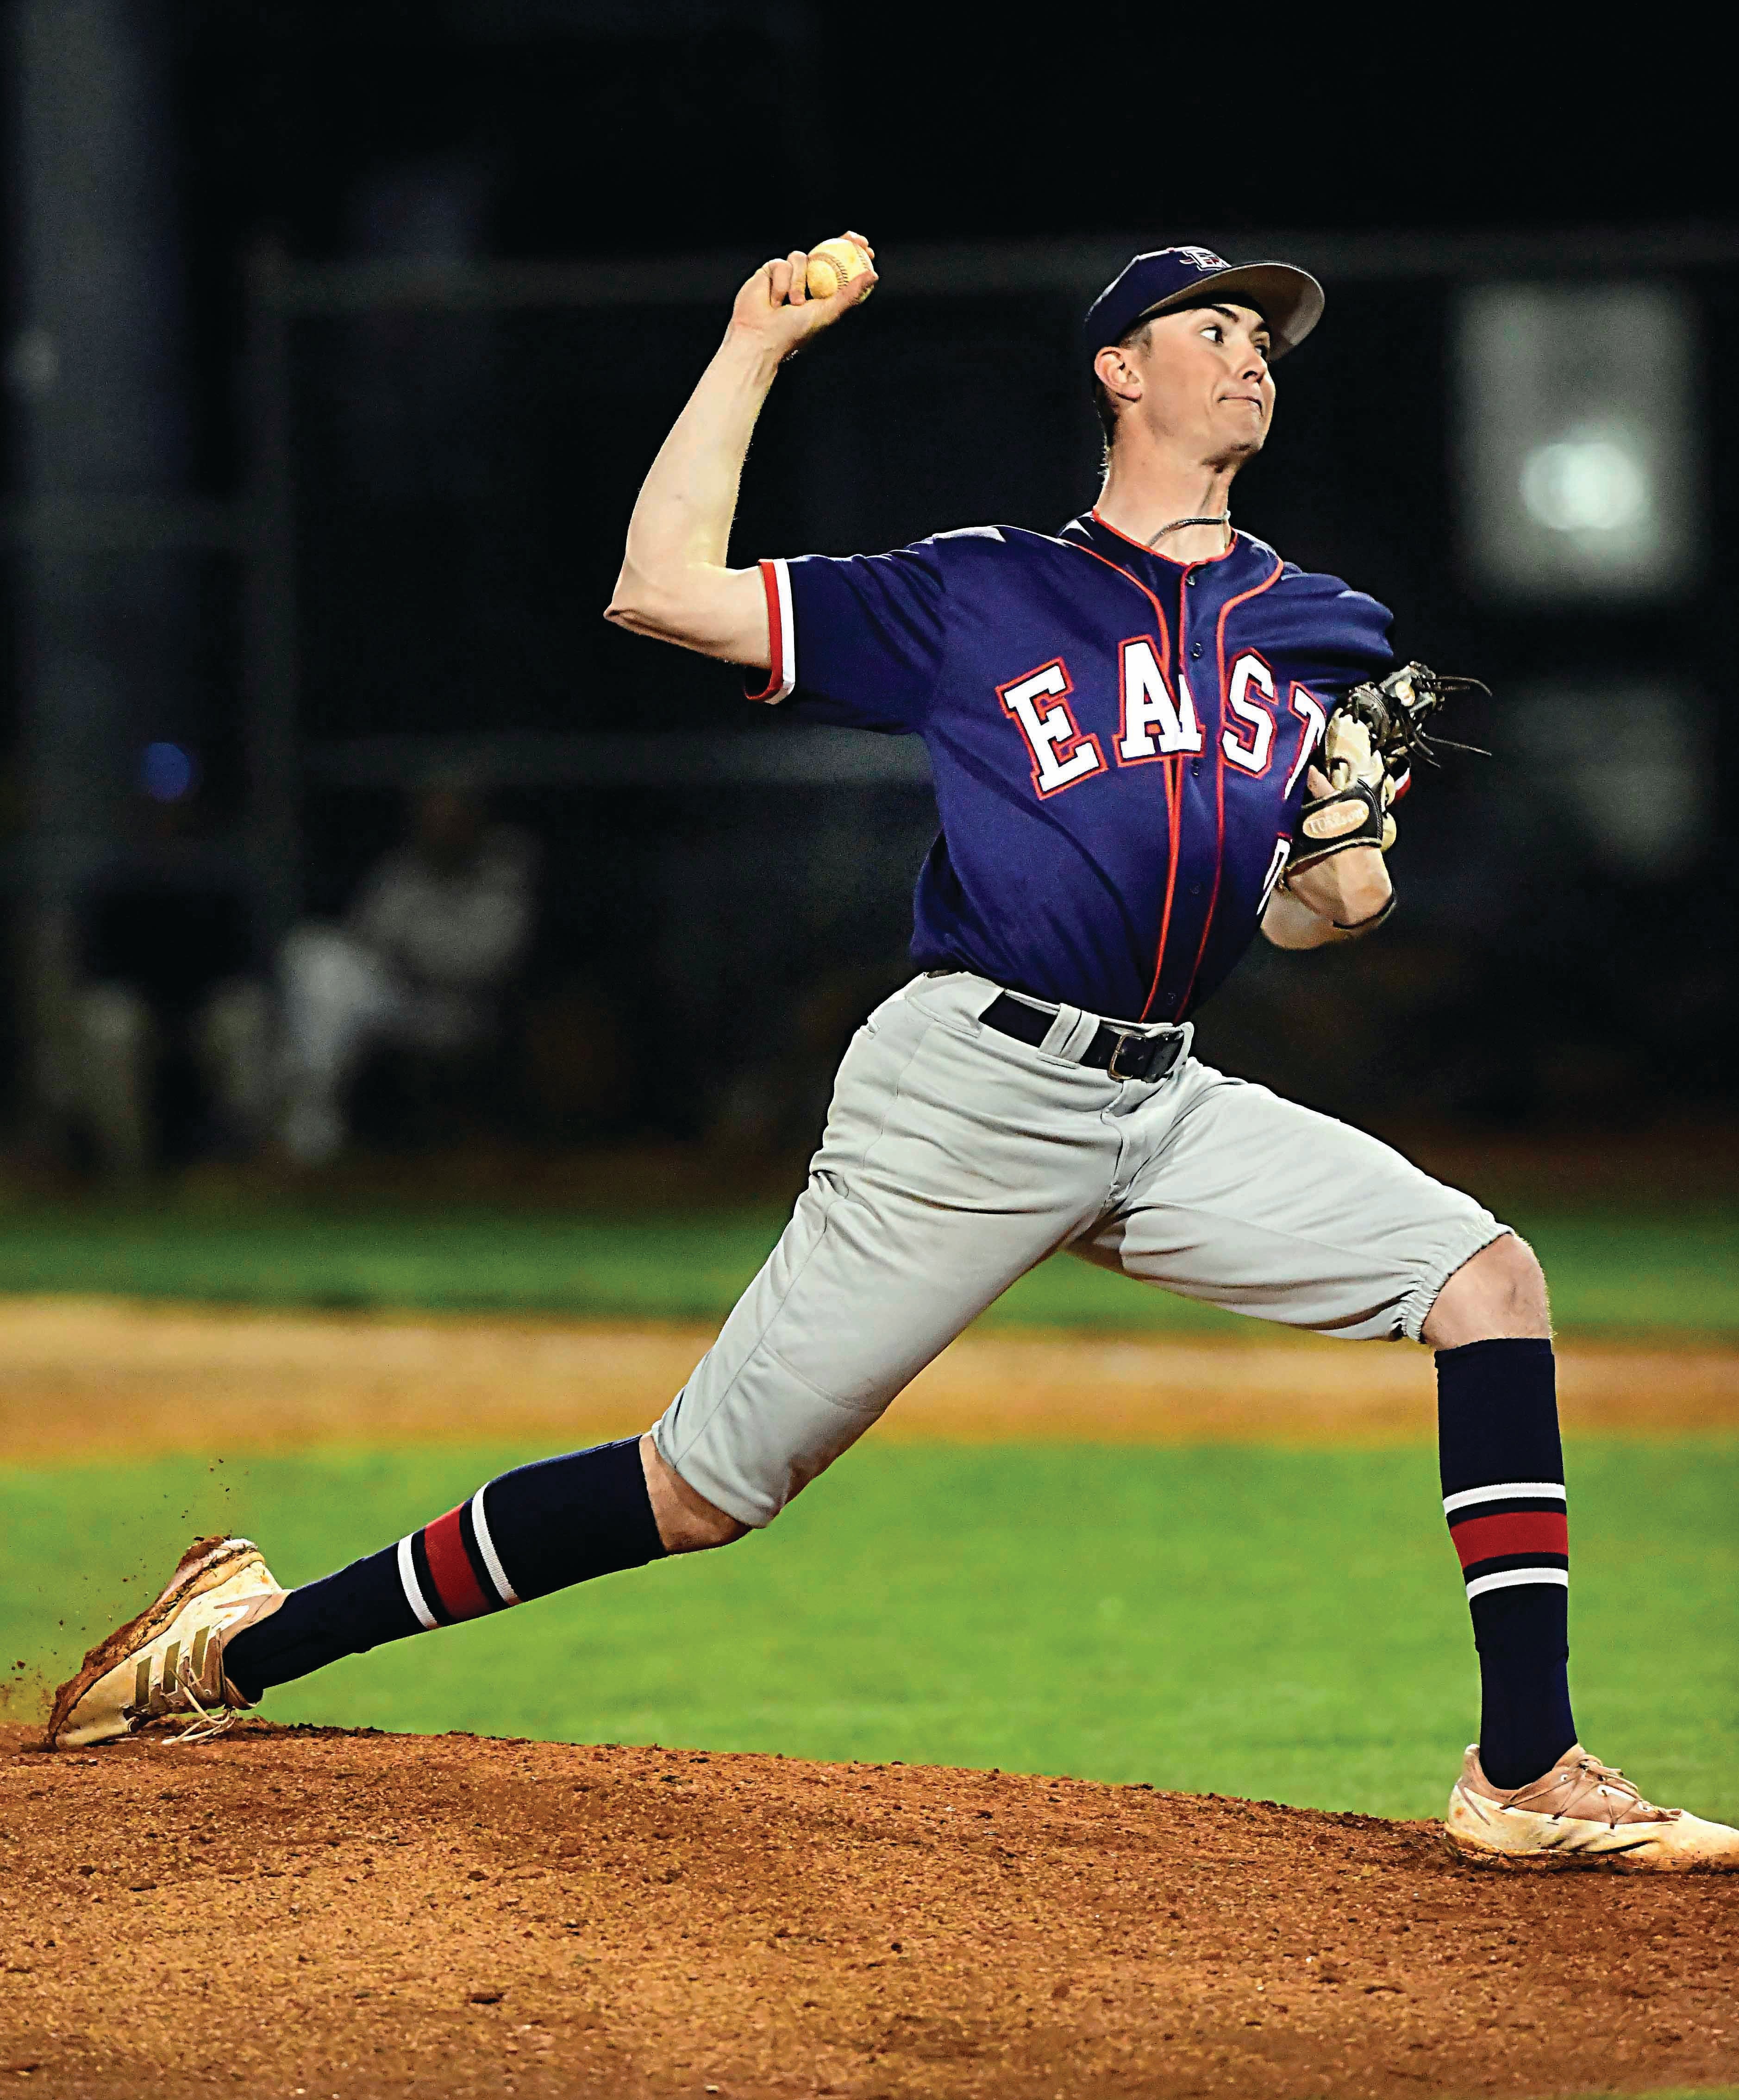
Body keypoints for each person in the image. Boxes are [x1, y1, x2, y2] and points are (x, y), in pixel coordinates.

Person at [46, 242, 1737, 1869]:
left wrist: (1347, 859)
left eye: (1263, 340)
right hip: (968, 1092)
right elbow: (661, 589)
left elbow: (1314, 912)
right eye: (1209, 328)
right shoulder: (985, 588)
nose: (1247, 356)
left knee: (1485, 1278)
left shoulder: (1318, 628)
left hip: (1161, 1097)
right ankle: (239, 1649)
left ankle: (1522, 1766)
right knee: (701, 1487)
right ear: (1118, 370)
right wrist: (753, 348)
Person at [277, 775, 534, 1166]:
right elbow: (366, 937)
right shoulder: (405, 872)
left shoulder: (503, 872)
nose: (441, 826)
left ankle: (308, 1126)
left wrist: (415, 953)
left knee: (329, 990)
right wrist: (402, 955)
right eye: (433, 814)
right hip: (405, 1002)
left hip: (463, 1015)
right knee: (313, 953)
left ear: (473, 820)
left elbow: (492, 959)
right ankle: (310, 1125)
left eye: (452, 816)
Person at [69, 785, 271, 1181]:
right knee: (108, 1023)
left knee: (243, 1015)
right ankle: (127, 1176)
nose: (168, 823)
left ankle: (245, 1167)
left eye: (178, 812)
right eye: (158, 813)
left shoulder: (225, 881)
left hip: (206, 1015)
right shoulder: (111, 882)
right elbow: (94, 970)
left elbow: (247, 967)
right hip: (139, 1016)